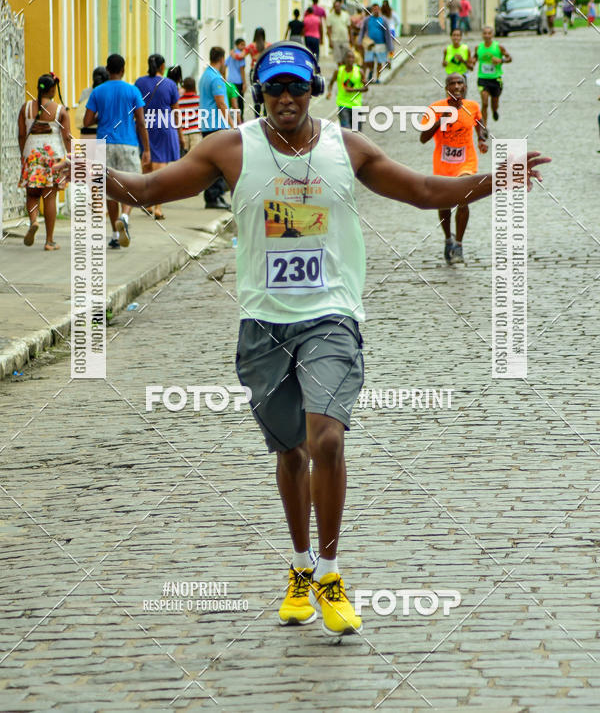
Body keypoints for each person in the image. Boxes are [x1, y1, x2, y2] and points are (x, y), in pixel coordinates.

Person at [58, 40, 549, 638]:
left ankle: (333, 573)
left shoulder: (349, 149)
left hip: (332, 317)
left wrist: (496, 180)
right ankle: (299, 567)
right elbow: (148, 191)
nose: (285, 98)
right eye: (273, 88)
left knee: (328, 439)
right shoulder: (231, 149)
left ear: (313, 89)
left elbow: (424, 191)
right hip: (263, 323)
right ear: (259, 93)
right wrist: (87, 171)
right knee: (290, 452)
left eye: (296, 87)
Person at [420, 73, 489, 264]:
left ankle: (458, 244)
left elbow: (480, 126)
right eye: (452, 83)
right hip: (443, 165)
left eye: (460, 83)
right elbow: (423, 138)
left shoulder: (473, 107)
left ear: (466, 87)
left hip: (466, 162)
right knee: (444, 204)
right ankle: (448, 239)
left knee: (463, 199)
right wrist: (440, 120)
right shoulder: (435, 108)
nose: (457, 86)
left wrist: (482, 139)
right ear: (446, 88)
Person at [84, 54, 150, 248]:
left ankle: (114, 234)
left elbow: (87, 121)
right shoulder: (133, 91)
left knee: (108, 189)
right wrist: (146, 149)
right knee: (130, 186)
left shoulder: (98, 92)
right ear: (123, 70)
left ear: (107, 69)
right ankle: (125, 217)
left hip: (103, 145)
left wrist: (101, 118)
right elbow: (141, 122)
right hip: (128, 144)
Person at [18, 72, 71, 251]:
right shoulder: (60, 110)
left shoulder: (25, 108)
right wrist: (71, 157)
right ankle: (49, 241)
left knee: (32, 194)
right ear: (52, 89)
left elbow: (21, 134)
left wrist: (22, 155)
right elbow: (67, 137)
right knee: (49, 197)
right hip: (52, 157)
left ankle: (33, 222)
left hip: (31, 156)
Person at [135, 54, 182, 221]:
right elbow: (175, 111)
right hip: (163, 126)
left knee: (147, 164)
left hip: (144, 125)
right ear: (162, 66)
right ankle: (158, 208)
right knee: (160, 167)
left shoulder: (139, 82)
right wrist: (180, 133)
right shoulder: (170, 84)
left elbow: (136, 105)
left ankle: (147, 202)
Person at [198, 46, 231, 210]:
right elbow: (221, 103)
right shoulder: (216, 78)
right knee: (218, 164)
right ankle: (214, 196)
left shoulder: (205, 75)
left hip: (207, 124)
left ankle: (213, 196)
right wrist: (232, 125)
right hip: (216, 125)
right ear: (222, 59)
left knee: (210, 164)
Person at [475, 26, 512, 124]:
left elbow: (509, 58)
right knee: (485, 103)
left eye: (489, 33)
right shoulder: (478, 47)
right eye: (485, 33)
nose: (487, 35)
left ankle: (495, 111)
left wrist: (501, 60)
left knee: (494, 103)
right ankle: (484, 128)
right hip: (482, 79)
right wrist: (471, 62)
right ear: (482, 35)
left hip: (496, 79)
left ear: (492, 35)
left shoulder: (498, 47)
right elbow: (474, 58)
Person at [326, 48, 369, 129]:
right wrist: (329, 92)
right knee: (346, 130)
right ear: (344, 59)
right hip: (343, 105)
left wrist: (354, 90)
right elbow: (331, 83)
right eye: (348, 57)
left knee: (357, 132)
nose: (350, 59)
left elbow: (366, 88)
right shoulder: (338, 71)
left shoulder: (359, 71)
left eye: (352, 57)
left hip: (356, 105)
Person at [358, 3, 393, 84]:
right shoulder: (367, 20)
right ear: (372, 10)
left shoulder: (383, 20)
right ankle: (370, 72)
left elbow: (387, 33)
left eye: (377, 9)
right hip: (370, 44)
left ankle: (377, 78)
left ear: (379, 10)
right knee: (369, 61)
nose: (376, 11)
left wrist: (390, 46)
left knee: (380, 62)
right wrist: (360, 41)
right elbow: (362, 31)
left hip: (381, 44)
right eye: (374, 9)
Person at [225, 39, 247, 120]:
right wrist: (244, 83)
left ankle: (233, 119)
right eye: (242, 45)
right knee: (240, 103)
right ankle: (240, 119)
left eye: (244, 45)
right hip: (238, 82)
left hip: (230, 81)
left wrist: (224, 78)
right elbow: (242, 70)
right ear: (237, 45)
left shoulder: (231, 55)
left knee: (232, 102)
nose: (244, 47)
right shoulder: (241, 56)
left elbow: (225, 65)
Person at [178, 77, 201, 154]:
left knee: (184, 157)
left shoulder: (179, 101)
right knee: (195, 156)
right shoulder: (199, 99)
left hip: (183, 132)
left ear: (184, 87)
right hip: (196, 132)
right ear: (194, 87)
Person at [326, 0, 351, 64]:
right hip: (335, 40)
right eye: (336, 7)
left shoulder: (345, 15)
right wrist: (330, 41)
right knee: (338, 60)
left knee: (346, 58)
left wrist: (351, 39)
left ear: (340, 6)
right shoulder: (330, 16)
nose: (337, 8)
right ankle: (340, 72)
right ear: (334, 7)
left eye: (338, 6)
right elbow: (328, 30)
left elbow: (349, 27)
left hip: (345, 39)